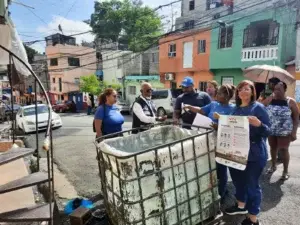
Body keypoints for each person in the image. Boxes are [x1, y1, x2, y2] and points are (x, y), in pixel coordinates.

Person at [224, 80, 271, 225]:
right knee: (238, 182)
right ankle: (240, 206)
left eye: (246, 89)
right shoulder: (235, 109)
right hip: (236, 153)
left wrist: (259, 124)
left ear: (252, 92)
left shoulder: (258, 108)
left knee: (252, 185)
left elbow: (269, 130)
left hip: (254, 154)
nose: (243, 91)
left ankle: (253, 218)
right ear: (237, 93)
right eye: (240, 89)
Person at [183, 84, 235, 203]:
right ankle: (210, 191)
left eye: (221, 93)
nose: (217, 95)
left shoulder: (233, 109)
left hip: (222, 142)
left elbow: (234, 127)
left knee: (221, 168)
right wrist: (190, 107)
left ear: (228, 96)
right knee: (209, 166)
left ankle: (221, 193)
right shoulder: (213, 104)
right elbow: (201, 110)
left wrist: (219, 126)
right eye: (218, 92)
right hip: (208, 140)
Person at [266, 82, 299, 180]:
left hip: (285, 132)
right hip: (271, 130)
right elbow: (261, 107)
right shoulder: (270, 99)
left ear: (285, 90)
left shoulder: (290, 102)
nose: (276, 91)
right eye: (275, 89)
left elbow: (296, 118)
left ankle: (285, 171)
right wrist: (264, 99)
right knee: (272, 148)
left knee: (284, 150)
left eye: (279, 89)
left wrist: (294, 132)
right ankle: (273, 166)